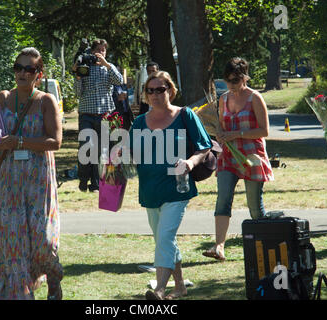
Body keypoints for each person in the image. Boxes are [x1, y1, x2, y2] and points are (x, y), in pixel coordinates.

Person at [0, 47, 63, 300]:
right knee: (12, 248)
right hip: (7, 183)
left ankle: (53, 276)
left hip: (38, 183)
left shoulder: (46, 100)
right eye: (18, 67)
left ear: (39, 73)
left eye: (29, 69)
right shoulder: (0, 99)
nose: (22, 73)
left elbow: (55, 142)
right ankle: (19, 294)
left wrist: (19, 142)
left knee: (43, 242)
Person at [129, 71, 213, 300]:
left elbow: (204, 147)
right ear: (145, 94)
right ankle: (180, 286)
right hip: (150, 189)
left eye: (160, 89)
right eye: (150, 90)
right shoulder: (138, 122)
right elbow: (131, 152)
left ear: (171, 91)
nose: (155, 94)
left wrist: (190, 162)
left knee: (165, 238)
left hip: (177, 188)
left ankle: (159, 290)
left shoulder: (185, 115)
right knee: (164, 239)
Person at [203, 57, 274, 261]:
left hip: (251, 155)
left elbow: (264, 130)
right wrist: (220, 134)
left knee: (255, 207)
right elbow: (222, 128)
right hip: (229, 156)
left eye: (235, 80)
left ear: (244, 77)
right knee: (223, 199)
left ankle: (265, 245)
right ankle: (219, 247)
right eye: (227, 80)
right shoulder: (224, 99)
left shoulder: (254, 97)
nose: (231, 85)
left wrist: (236, 134)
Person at [73, 39, 123, 192]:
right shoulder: (85, 67)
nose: (101, 53)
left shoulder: (109, 68)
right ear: (92, 51)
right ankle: (83, 179)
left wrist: (107, 64)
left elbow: (119, 80)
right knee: (86, 148)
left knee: (101, 151)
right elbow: (77, 93)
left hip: (105, 115)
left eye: (104, 50)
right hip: (86, 114)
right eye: (99, 50)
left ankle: (95, 184)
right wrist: (77, 76)